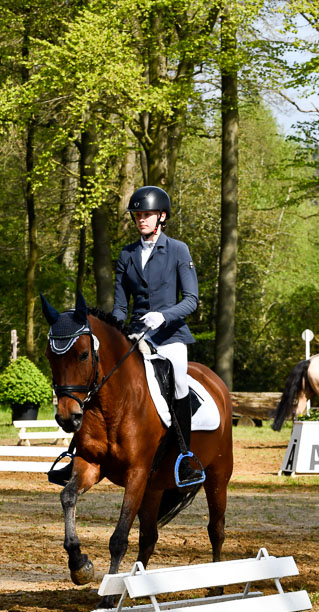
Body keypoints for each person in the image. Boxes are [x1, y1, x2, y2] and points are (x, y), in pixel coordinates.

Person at [112, 185, 203, 485]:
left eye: (147, 215)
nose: (141, 220)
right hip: (137, 333)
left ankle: (184, 456)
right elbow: (119, 306)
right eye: (138, 215)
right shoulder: (126, 254)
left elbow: (191, 299)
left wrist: (164, 315)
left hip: (170, 334)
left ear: (162, 216)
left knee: (177, 380)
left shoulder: (178, 250)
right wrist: (114, 334)